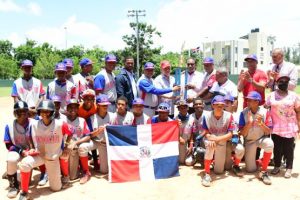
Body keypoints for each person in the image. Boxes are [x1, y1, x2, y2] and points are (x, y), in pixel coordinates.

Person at [18, 100, 73, 199]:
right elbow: (29, 136)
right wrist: (31, 148)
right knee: (25, 164)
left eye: (47, 111)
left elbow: (71, 132)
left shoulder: (60, 124)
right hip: (40, 155)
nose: (44, 114)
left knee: (56, 188)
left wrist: (67, 145)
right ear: (39, 112)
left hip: (53, 157)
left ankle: (64, 177)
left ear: (52, 112)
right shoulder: (34, 124)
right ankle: (24, 192)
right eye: (42, 111)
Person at [265, 75, 300, 178]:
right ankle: (277, 166)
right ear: (277, 83)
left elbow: (298, 111)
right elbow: (266, 106)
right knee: (277, 148)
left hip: (289, 126)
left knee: (288, 148)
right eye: (281, 81)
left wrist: (299, 124)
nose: (283, 83)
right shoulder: (271, 95)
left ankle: (289, 168)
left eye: (285, 82)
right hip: (276, 126)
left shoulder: (294, 96)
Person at [239, 91, 273, 185]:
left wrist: (261, 124)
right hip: (249, 141)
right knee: (250, 170)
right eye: (247, 99)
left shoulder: (265, 112)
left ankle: (264, 171)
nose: (247, 101)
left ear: (257, 102)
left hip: (261, 139)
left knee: (269, 144)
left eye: (250, 100)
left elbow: (268, 131)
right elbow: (242, 133)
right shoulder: (243, 113)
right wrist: (249, 124)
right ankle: (259, 161)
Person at [201, 95, 235, 187]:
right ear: (212, 105)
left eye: (221, 105)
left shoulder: (229, 116)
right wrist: (211, 138)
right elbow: (206, 132)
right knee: (210, 146)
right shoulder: (206, 116)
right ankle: (207, 173)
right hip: (210, 140)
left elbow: (230, 134)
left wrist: (217, 139)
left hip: (222, 140)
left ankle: (215, 162)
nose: (219, 107)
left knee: (219, 171)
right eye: (217, 105)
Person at [4, 101, 34, 198]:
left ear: (27, 112)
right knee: (11, 159)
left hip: (31, 153)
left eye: (24, 111)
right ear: (15, 113)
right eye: (19, 111)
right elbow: (8, 145)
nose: (22, 114)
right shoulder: (9, 125)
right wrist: (21, 151)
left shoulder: (34, 123)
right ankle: (13, 185)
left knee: (26, 182)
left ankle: (10, 172)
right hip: (17, 151)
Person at [65, 99, 91, 184]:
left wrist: (76, 142)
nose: (73, 110)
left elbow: (88, 136)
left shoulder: (82, 120)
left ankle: (84, 170)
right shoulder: (62, 120)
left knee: (72, 177)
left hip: (76, 147)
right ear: (67, 108)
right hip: (64, 146)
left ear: (78, 109)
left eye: (75, 107)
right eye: (70, 107)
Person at [86, 94, 113, 174]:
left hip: (109, 143)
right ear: (97, 105)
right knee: (82, 147)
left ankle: (98, 160)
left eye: (106, 104)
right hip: (96, 142)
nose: (105, 106)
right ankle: (85, 171)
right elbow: (88, 135)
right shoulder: (91, 118)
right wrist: (98, 131)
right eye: (103, 105)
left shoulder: (112, 116)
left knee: (106, 170)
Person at [223, 95, 245, 177]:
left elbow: (241, 129)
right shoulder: (220, 114)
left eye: (228, 102)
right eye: (224, 102)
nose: (225, 104)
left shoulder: (238, 115)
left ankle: (236, 165)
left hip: (234, 141)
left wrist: (238, 133)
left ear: (232, 104)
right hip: (223, 142)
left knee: (240, 149)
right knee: (225, 168)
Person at [77, 89, 98, 170]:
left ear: (94, 100)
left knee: (93, 138)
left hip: (91, 124)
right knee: (81, 141)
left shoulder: (96, 107)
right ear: (83, 99)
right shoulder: (79, 107)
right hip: (81, 124)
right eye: (86, 98)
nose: (89, 101)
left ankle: (95, 161)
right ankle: (81, 163)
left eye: (91, 99)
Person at [174, 100, 195, 165]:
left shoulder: (192, 118)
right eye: (181, 108)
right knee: (181, 161)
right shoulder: (175, 118)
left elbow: (192, 132)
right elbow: (173, 132)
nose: (183, 109)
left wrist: (191, 144)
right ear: (178, 109)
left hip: (187, 141)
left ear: (188, 108)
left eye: (185, 107)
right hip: (178, 141)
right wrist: (179, 138)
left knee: (188, 162)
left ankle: (193, 156)